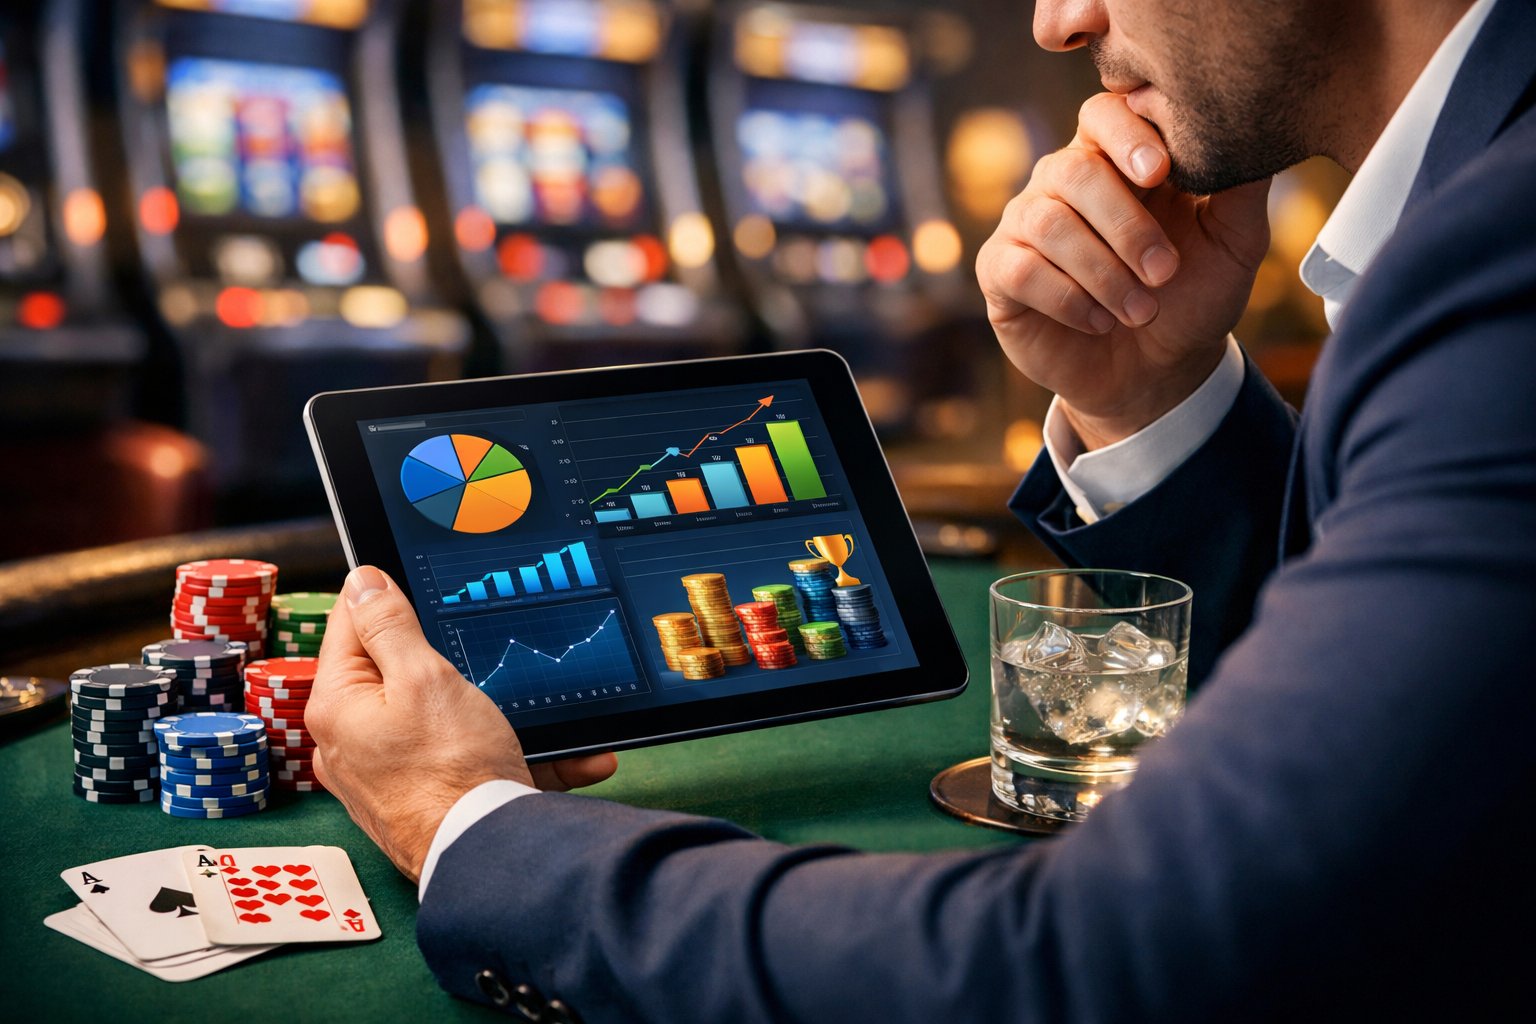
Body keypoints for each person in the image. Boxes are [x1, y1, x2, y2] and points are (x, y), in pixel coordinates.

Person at [305, 0, 1536, 1019]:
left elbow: (1102, 966)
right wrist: (1155, 389)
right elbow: (1393, 756)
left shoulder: (1502, 254)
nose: (1060, 21)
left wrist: (469, 825)